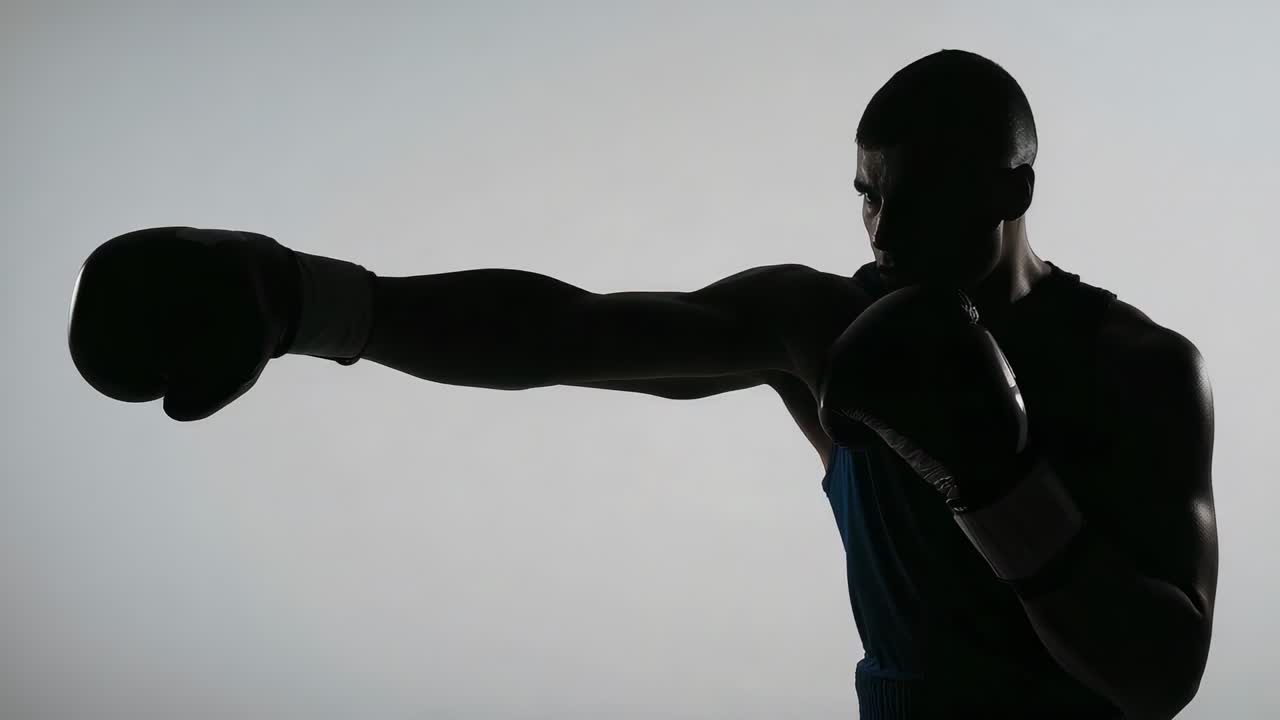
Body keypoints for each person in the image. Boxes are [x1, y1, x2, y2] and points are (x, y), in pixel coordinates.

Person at [67, 49, 1216, 719]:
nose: (881, 228)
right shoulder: (826, 326)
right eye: (865, 194)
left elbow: (1160, 674)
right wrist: (304, 301)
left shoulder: (1139, 368)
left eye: (913, 199)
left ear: (1011, 193)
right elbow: (568, 330)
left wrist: (1000, 480)